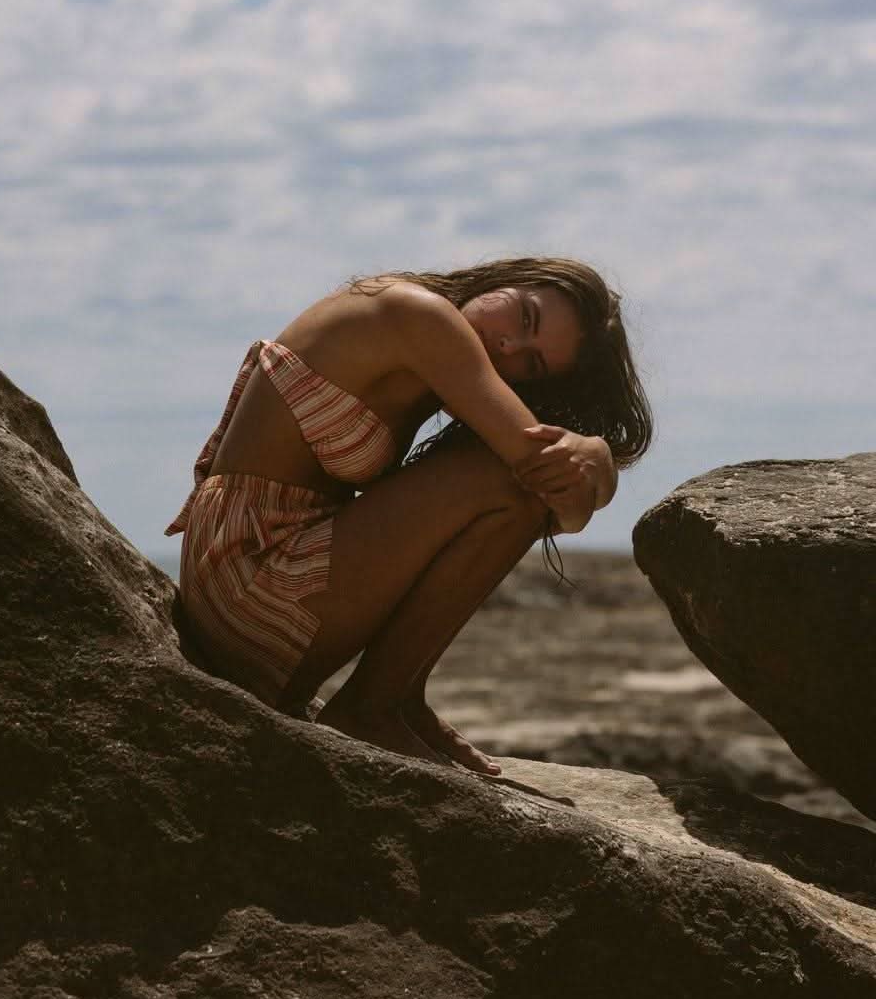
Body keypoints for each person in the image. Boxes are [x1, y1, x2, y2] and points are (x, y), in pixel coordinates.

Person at [166, 258, 652, 774]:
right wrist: (598, 458)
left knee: (514, 491)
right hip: (249, 575)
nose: (509, 346)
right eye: (524, 316)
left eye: (531, 365)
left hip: (258, 578)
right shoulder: (419, 315)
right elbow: (556, 501)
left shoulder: (438, 352)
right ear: (510, 277)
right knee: (511, 485)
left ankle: (400, 698)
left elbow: (561, 511)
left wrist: (590, 470)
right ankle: (370, 707)